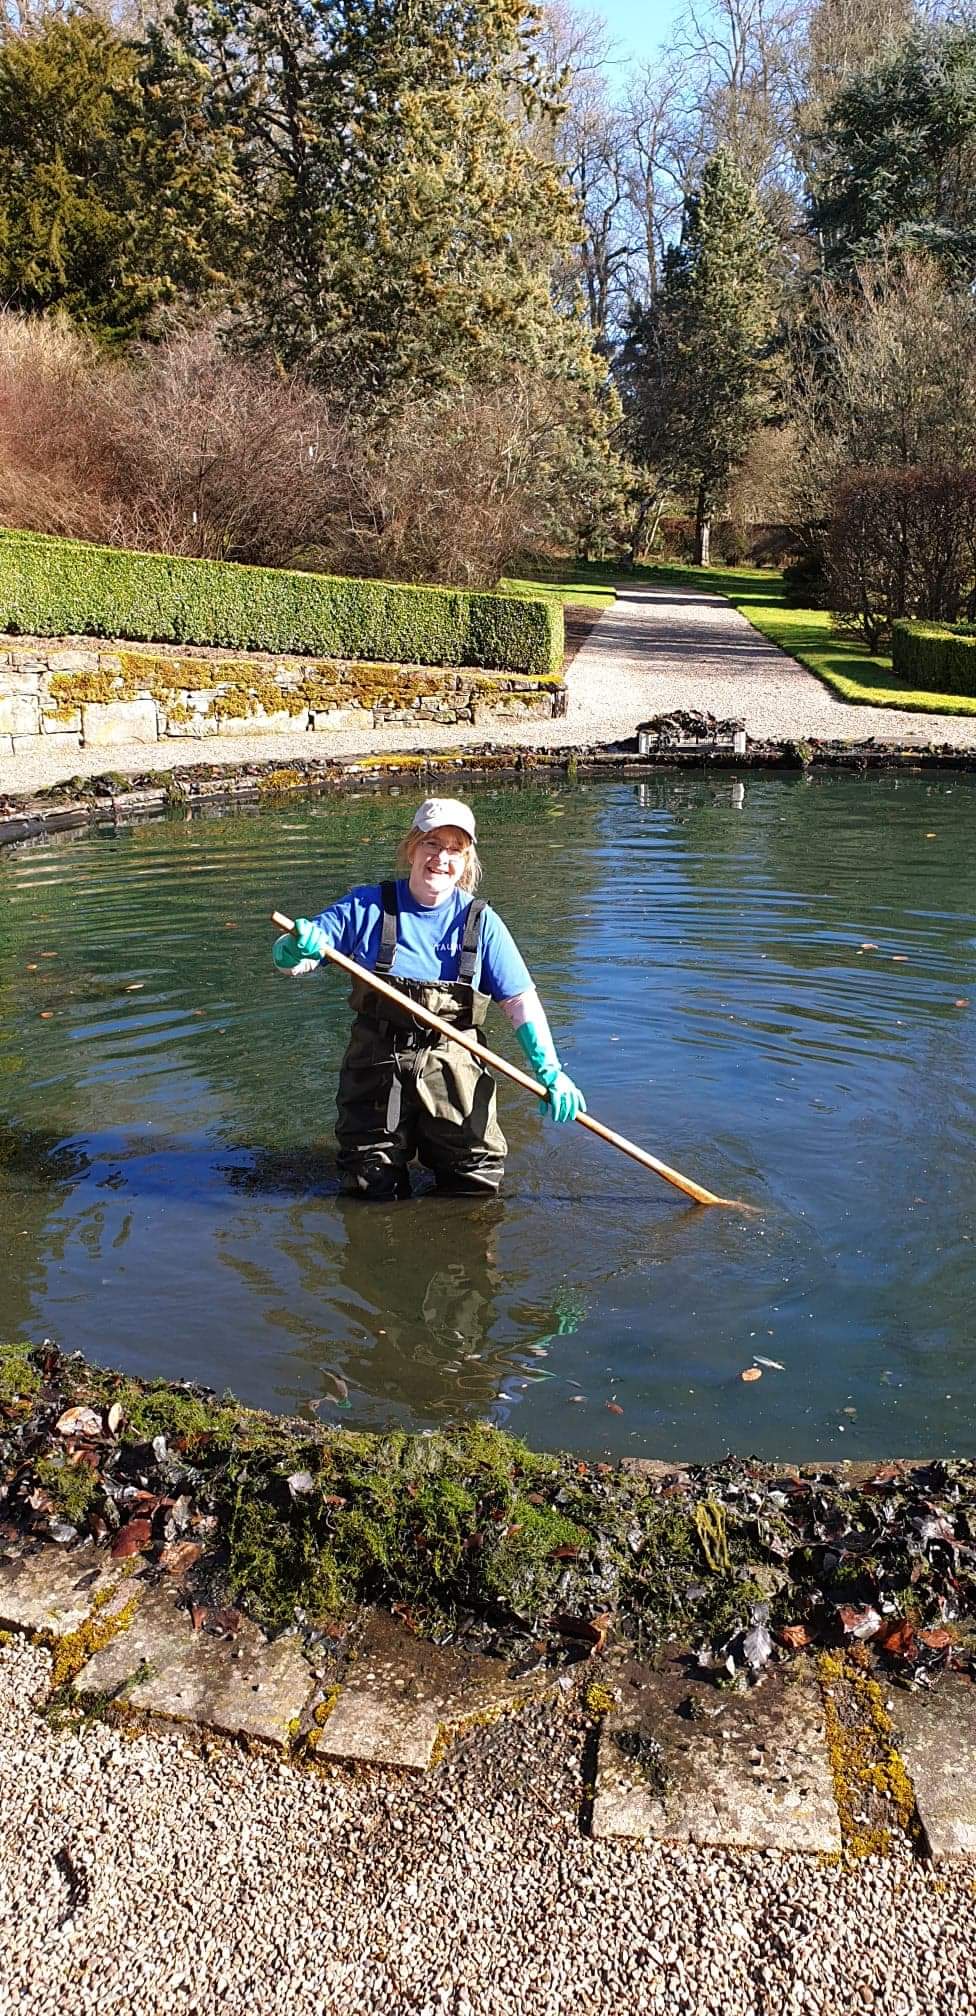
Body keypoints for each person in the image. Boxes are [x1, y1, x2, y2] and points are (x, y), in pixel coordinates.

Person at [272, 796, 585, 1200]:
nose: (441, 858)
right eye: (432, 844)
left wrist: (550, 1072)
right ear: (412, 848)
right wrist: (293, 948)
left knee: (474, 1184)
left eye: (455, 850)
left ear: (467, 861)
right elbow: (291, 961)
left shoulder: (481, 922)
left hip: (456, 1068)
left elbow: (520, 1001)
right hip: (375, 1068)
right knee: (370, 1186)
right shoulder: (366, 906)